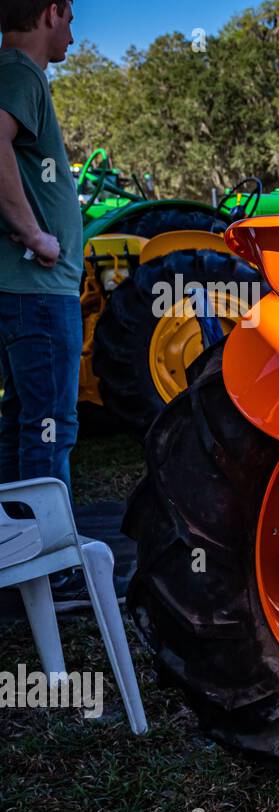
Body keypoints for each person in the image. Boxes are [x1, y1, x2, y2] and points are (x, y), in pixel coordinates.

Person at [0, 0, 83, 605]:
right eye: (72, 18)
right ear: (51, 10)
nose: (74, 34)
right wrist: (33, 233)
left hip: (24, 293)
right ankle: (51, 572)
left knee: (22, 428)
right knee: (49, 429)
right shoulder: (19, 72)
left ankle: (19, 564)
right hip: (38, 294)